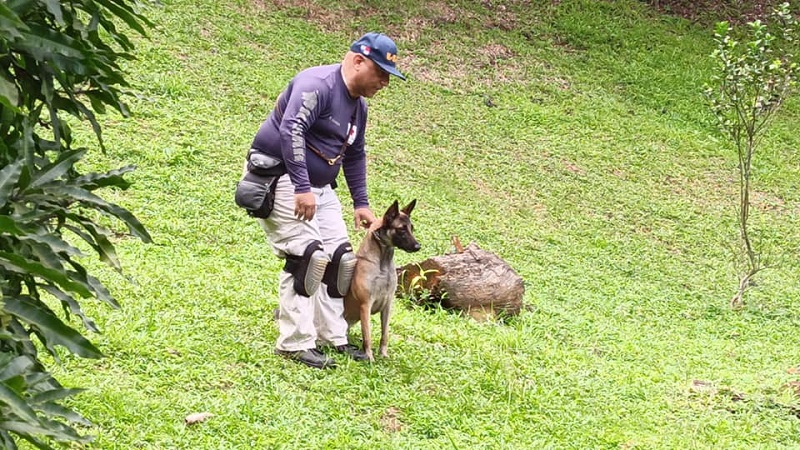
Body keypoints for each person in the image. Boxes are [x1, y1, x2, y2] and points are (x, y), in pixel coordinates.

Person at [245, 32, 406, 369]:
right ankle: (294, 342)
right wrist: (302, 186)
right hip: (282, 177)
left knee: (343, 260)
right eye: (381, 73)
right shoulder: (316, 84)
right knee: (309, 258)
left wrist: (361, 202)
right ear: (358, 61)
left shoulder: (358, 106)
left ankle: (331, 334)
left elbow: (355, 153)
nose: (384, 83)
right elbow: (291, 130)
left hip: (320, 187)